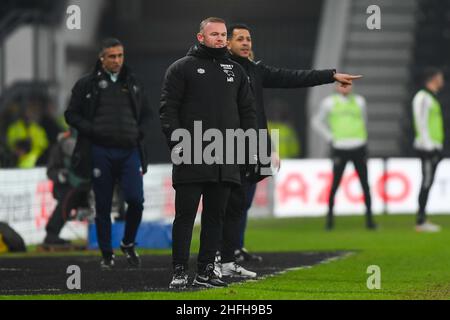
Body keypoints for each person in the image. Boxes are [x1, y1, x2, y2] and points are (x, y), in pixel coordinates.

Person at [218, 23, 363, 276]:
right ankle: (218, 256)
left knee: (241, 203)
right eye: (239, 38)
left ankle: (230, 255)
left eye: (248, 39)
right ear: (227, 43)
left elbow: (293, 77)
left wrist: (330, 75)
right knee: (224, 203)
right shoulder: (218, 69)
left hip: (254, 147)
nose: (245, 43)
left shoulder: (255, 70)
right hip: (226, 146)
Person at [160, 17, 257, 289]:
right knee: (186, 216)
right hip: (190, 153)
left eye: (223, 34)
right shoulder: (181, 68)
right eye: (214, 34)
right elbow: (168, 110)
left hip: (225, 156)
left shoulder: (236, 71)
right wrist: (178, 144)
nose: (220, 39)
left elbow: (248, 112)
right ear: (200, 37)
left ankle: (206, 272)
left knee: (216, 217)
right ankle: (179, 271)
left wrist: (248, 147)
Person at [65, 38, 152, 268]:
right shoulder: (86, 84)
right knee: (102, 204)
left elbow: (147, 114)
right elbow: (71, 114)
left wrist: (138, 133)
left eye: (120, 56)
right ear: (101, 58)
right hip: (100, 151)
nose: (117, 60)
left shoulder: (133, 83)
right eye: (112, 56)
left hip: (129, 151)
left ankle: (128, 243)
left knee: (136, 200)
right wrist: (92, 130)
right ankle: (106, 254)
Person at [313, 83, 376, 230]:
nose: (345, 87)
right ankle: (329, 221)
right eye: (342, 85)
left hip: (359, 146)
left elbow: (363, 121)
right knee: (335, 184)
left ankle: (370, 221)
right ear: (336, 87)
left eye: (348, 85)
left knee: (365, 184)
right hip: (340, 147)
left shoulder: (360, 101)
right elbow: (316, 121)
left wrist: (363, 138)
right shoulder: (329, 103)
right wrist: (330, 137)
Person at [43, 130, 91, 248]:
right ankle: (52, 234)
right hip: (67, 186)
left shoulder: (92, 141)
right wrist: (60, 175)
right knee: (68, 198)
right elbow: (51, 171)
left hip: (89, 185)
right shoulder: (60, 146)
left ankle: (109, 233)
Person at [412, 68, 445, 232]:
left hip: (434, 146)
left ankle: (422, 219)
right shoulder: (422, 97)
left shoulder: (431, 98)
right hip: (427, 148)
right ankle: (420, 221)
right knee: (426, 181)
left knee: (428, 182)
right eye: (440, 77)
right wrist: (429, 146)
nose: (442, 80)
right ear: (432, 78)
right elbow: (420, 123)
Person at [7, 104, 49, 168]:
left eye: (31, 112)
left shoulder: (38, 129)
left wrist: (32, 145)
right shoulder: (14, 127)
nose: (29, 115)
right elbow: (10, 143)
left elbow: (44, 145)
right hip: (15, 162)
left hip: (35, 161)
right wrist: (18, 148)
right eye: (27, 112)